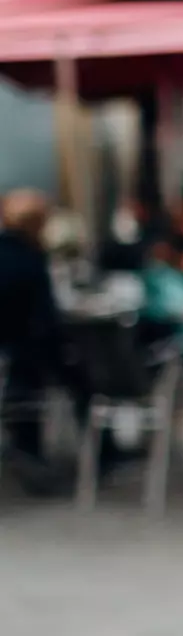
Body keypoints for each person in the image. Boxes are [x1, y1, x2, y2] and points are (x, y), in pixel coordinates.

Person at [0, 190, 66, 486]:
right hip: (23, 355)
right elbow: (47, 319)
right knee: (83, 374)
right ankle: (105, 453)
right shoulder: (31, 259)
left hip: (10, 356)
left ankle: (26, 448)